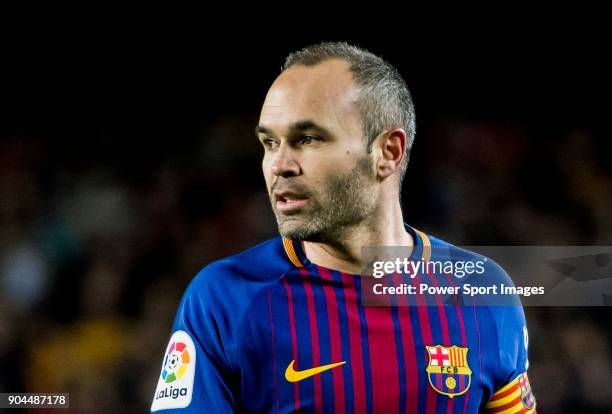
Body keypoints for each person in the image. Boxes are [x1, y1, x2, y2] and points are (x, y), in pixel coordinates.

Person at [150, 42, 536, 413]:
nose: (279, 165)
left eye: (307, 139)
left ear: (388, 152)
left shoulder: (482, 292)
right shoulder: (224, 299)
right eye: (269, 143)